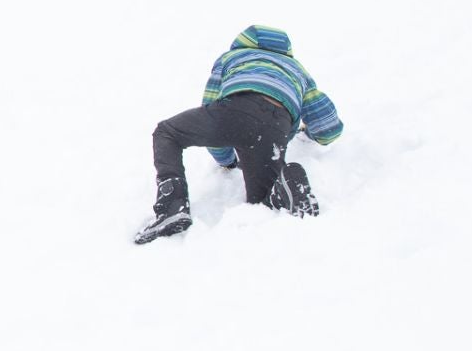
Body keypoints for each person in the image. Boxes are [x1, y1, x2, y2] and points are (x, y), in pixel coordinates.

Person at [135, 25, 343, 245]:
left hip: (235, 110)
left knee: (167, 132)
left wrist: (227, 160)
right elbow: (329, 127)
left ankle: (171, 207)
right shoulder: (299, 72)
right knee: (262, 202)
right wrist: (310, 133)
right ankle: (286, 184)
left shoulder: (232, 57)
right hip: (274, 128)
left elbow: (211, 104)